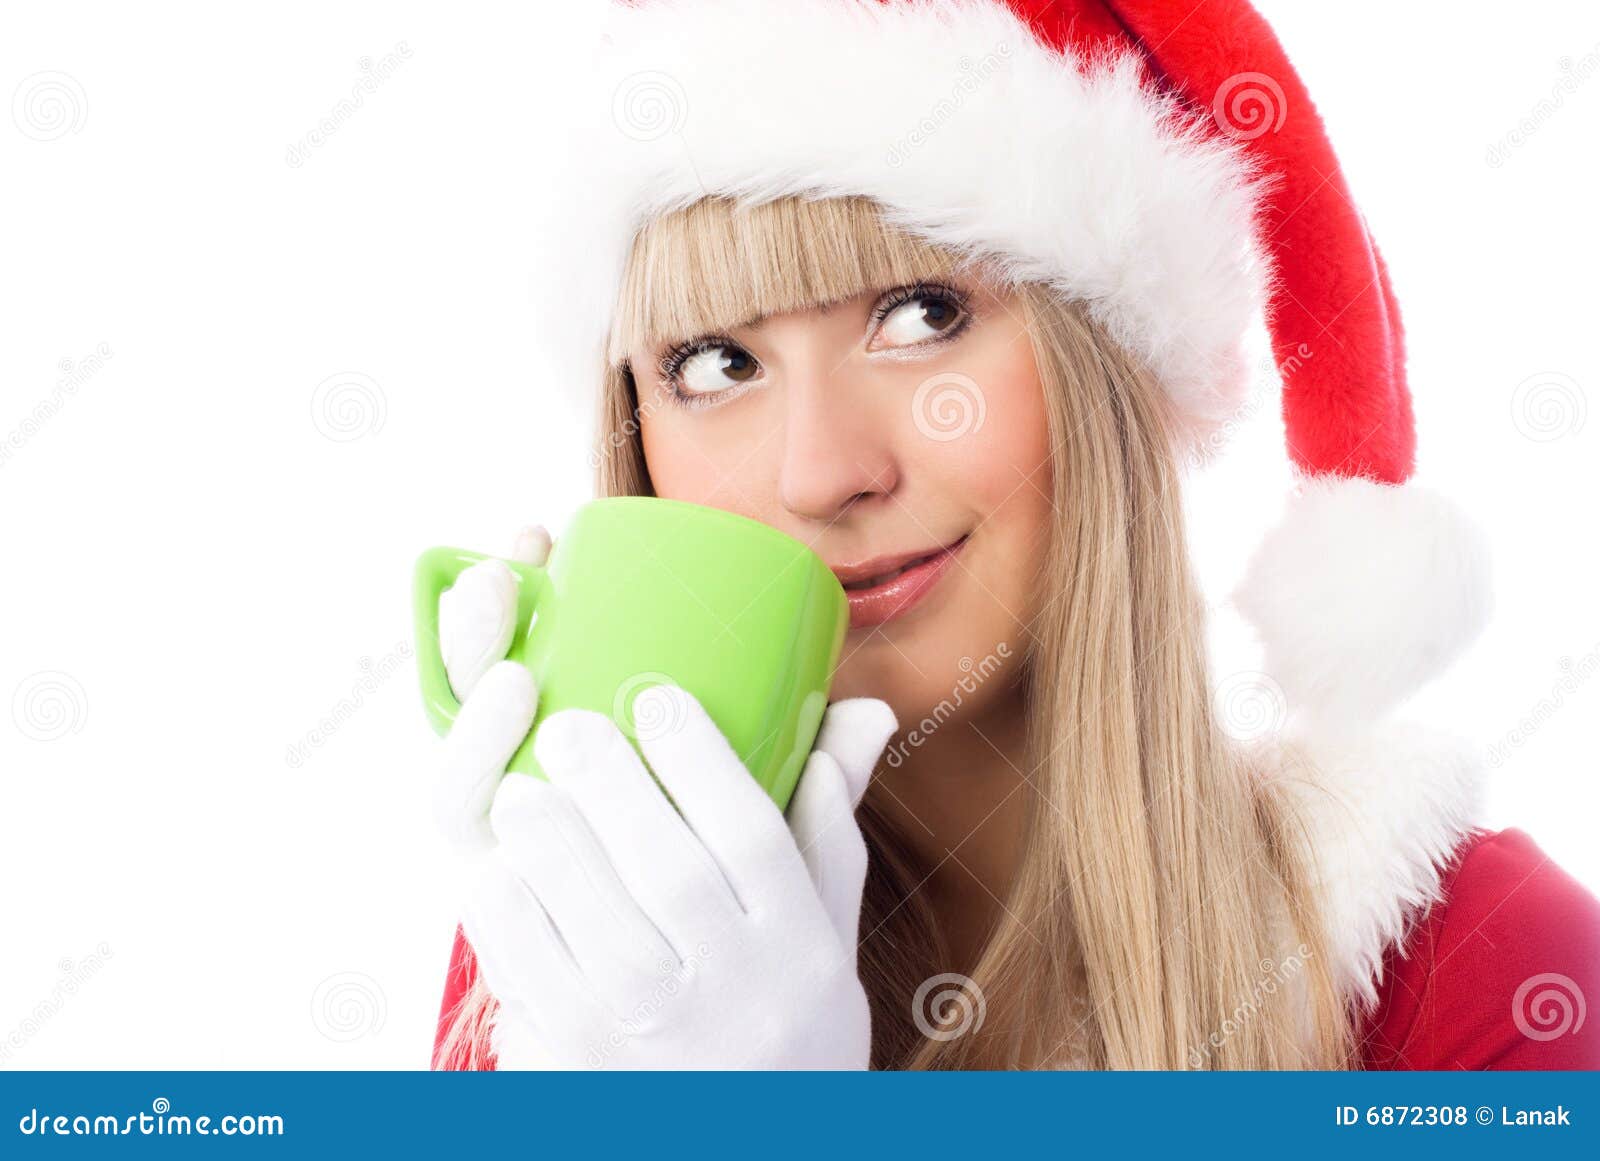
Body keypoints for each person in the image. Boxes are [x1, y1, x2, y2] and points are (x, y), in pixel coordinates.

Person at [427, 0, 1600, 1069]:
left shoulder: (1479, 965)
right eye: (716, 363)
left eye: (922, 315)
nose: (822, 471)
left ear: (1108, 373)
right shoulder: (588, 956)